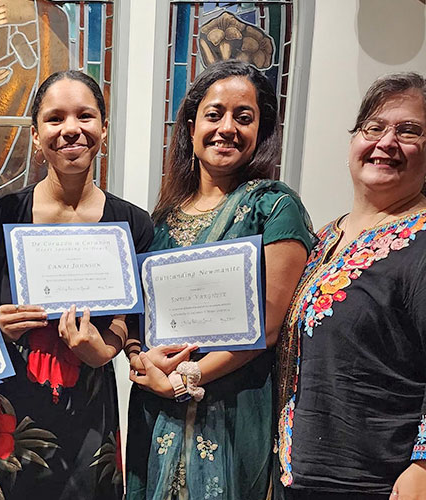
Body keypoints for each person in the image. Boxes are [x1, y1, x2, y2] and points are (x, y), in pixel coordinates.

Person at [125, 60, 316, 500]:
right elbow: (140, 318)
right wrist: (141, 359)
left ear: (260, 132)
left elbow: (267, 328)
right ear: (191, 128)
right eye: (214, 115)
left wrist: (185, 378)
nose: (227, 128)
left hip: (232, 405)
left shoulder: (274, 207)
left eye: (243, 117)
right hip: (157, 409)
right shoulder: (161, 219)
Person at [276, 73, 426, 500]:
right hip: (302, 480)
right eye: (374, 128)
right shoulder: (322, 239)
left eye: (409, 131)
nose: (387, 142)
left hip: (384, 483)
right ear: (353, 142)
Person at [0, 70, 154, 499]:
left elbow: (131, 318)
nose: (71, 129)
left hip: (89, 405)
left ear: (103, 129)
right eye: (55, 118)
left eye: (85, 116)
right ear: (36, 135)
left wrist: (106, 348)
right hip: (10, 410)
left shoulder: (132, 224)